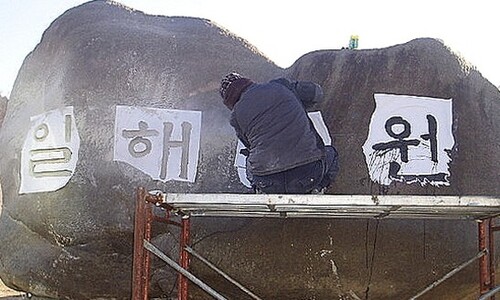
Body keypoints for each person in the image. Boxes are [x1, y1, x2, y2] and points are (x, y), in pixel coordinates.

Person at [219, 72, 339, 194]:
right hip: (308, 174)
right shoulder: (281, 85)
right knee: (331, 153)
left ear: (229, 101)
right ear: (246, 81)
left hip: (268, 181)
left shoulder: (235, 117)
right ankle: (318, 189)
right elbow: (316, 93)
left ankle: (259, 190)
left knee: (250, 161)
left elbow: (249, 146)